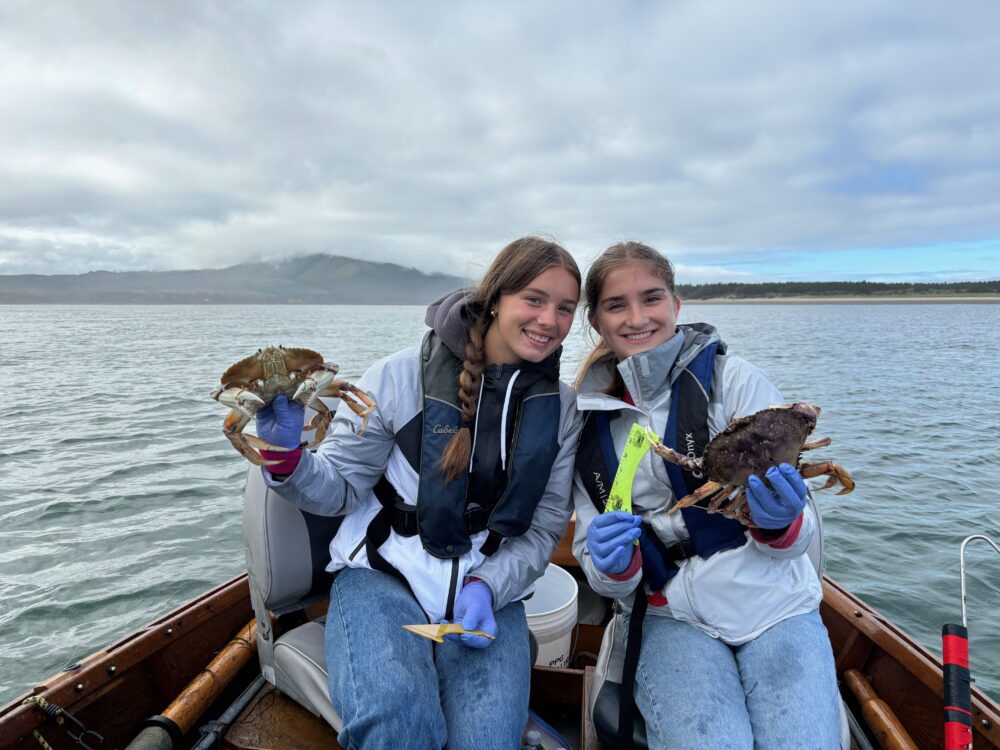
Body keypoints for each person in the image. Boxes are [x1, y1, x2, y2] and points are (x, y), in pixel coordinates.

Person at [250, 237, 583, 750]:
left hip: (488, 590)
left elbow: (542, 529)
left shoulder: (561, 408)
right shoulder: (397, 377)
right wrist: (285, 459)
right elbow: (337, 489)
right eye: (534, 299)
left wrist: (489, 587)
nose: (549, 320)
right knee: (397, 730)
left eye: (565, 308)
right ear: (496, 297)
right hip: (384, 576)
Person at [572, 241, 841, 749]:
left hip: (774, 602)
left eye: (652, 298)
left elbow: (803, 533)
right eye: (616, 305)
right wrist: (610, 565)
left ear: (676, 305)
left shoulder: (736, 382)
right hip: (665, 611)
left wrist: (782, 521)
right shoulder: (583, 420)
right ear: (596, 320)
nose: (637, 318)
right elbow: (596, 562)